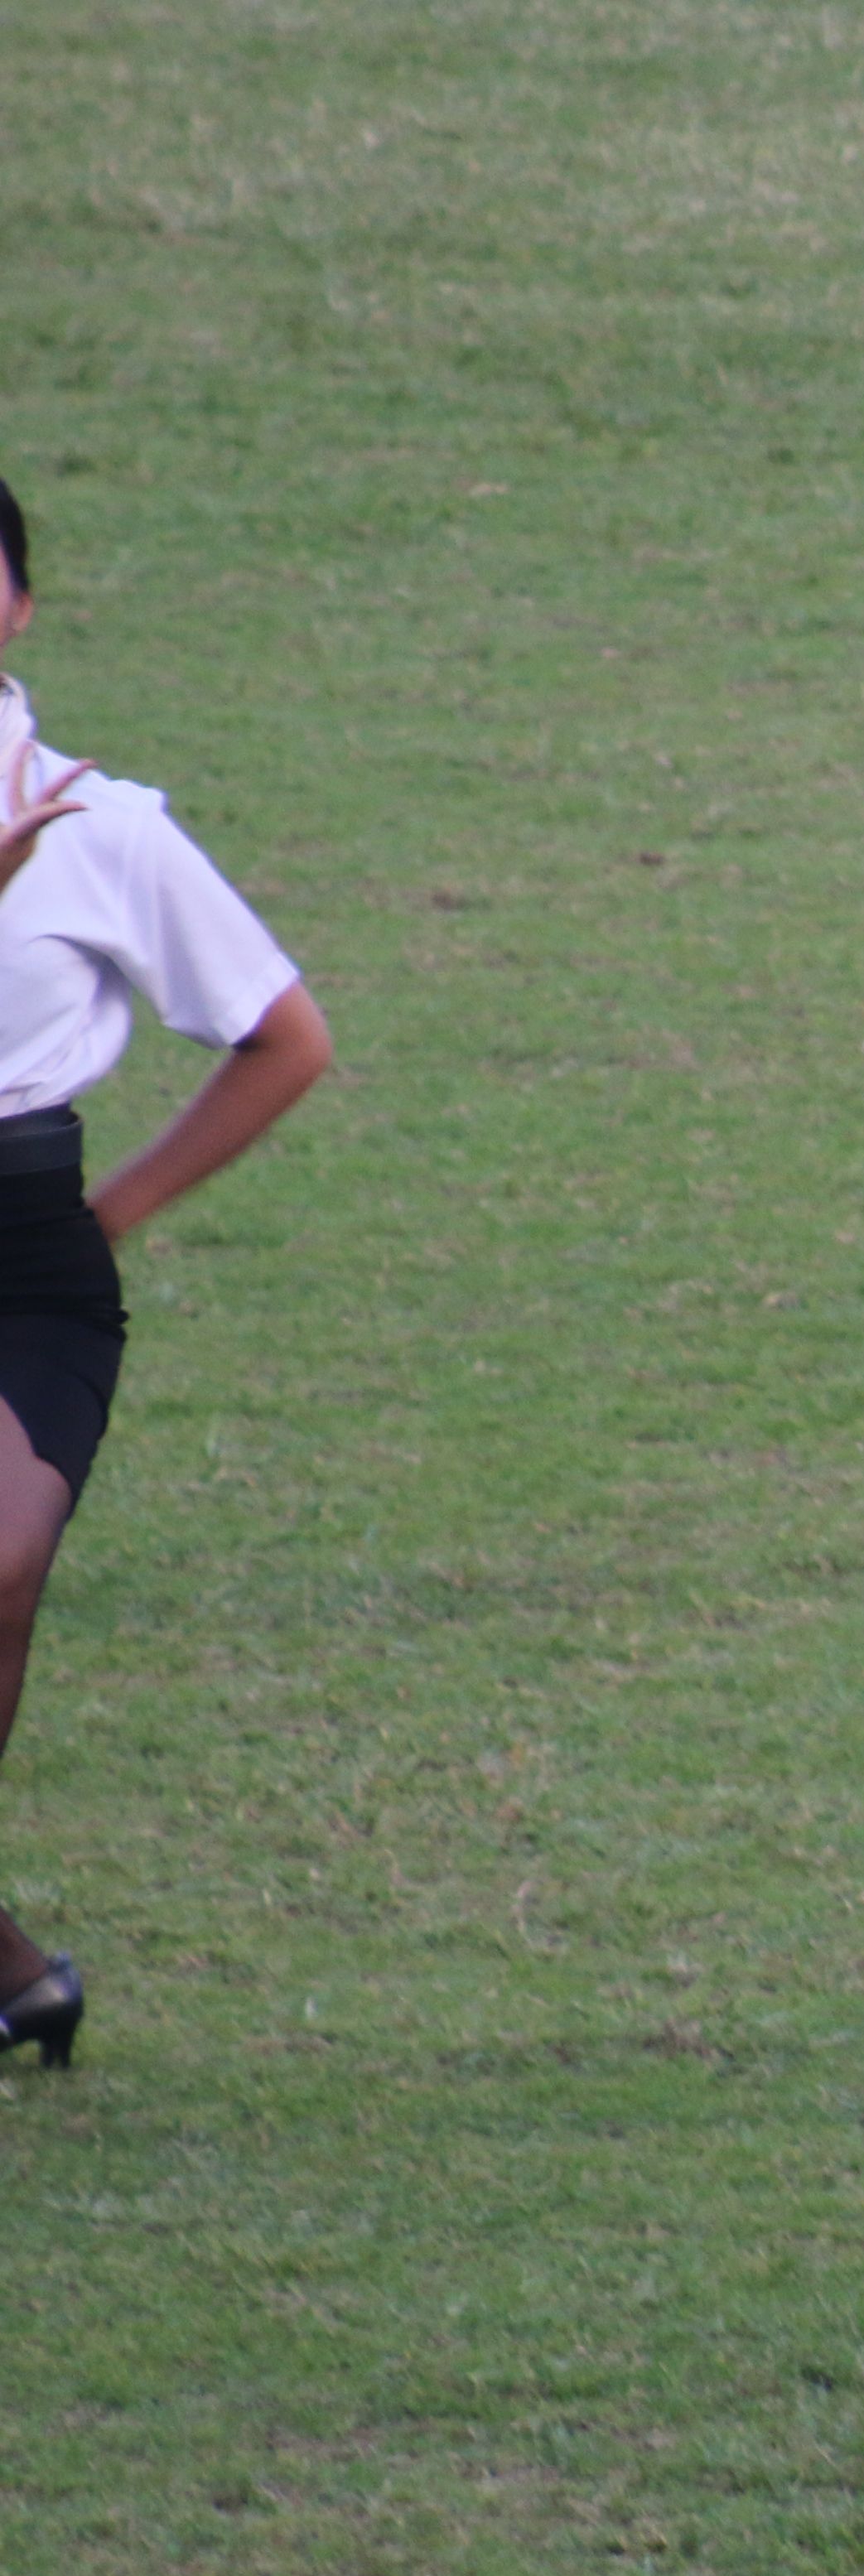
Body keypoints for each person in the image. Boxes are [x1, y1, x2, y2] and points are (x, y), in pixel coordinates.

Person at [0, 472, 338, 2070]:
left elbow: (286, 1038)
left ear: (19, 605)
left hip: (23, 1261)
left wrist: (112, 1213)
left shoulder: (106, 829)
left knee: (1, 1566)